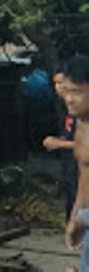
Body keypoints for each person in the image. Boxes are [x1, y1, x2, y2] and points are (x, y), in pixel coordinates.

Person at [63, 56, 89, 269]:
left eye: (77, 92)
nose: (70, 99)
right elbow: (84, 177)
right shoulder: (80, 126)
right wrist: (75, 217)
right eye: (67, 91)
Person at [42, 68, 78, 221]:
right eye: (55, 83)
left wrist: (59, 144)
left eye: (62, 83)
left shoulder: (82, 108)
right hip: (71, 169)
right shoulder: (64, 106)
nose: (58, 87)